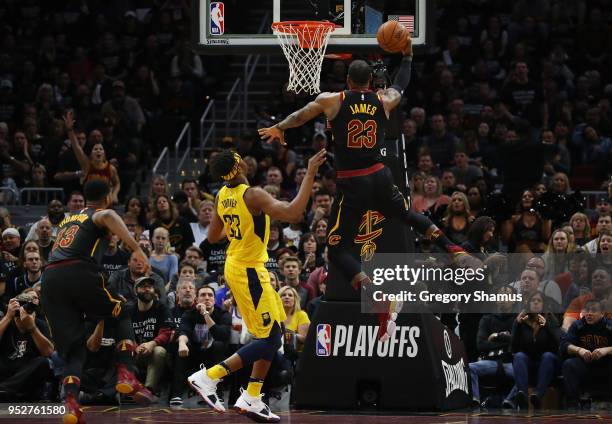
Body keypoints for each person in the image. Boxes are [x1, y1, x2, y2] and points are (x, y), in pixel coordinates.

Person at [259, 50, 470, 340]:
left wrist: (279, 127)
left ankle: (374, 295)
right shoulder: (383, 100)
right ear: (371, 81)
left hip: (352, 183)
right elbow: (401, 85)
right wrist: (407, 58)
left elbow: (300, 115)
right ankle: (453, 249)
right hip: (380, 174)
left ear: (347, 80)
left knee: (337, 249)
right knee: (407, 214)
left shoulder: (332, 100)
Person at [185, 148, 326, 422]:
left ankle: (251, 396)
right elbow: (294, 213)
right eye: (242, 160)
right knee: (272, 338)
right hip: (249, 270)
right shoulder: (253, 194)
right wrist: (309, 173)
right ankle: (209, 376)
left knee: (274, 331)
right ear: (238, 168)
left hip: (239, 264)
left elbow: (214, 236)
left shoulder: (223, 195)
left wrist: (240, 223)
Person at [40, 180, 154, 423]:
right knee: (121, 310)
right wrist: (136, 249)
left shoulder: (69, 219)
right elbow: (110, 215)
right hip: (77, 270)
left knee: (75, 350)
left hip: (50, 278)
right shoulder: (99, 212)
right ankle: (126, 373)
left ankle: (71, 403)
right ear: (108, 196)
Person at [63, 111, 121, 203]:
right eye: (95, 149)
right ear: (91, 155)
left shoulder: (111, 168)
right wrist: (70, 130)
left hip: (107, 204)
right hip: (91, 205)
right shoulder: (87, 165)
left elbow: (117, 183)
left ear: (104, 154)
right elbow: (76, 147)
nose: (98, 150)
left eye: (101, 149)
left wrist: (115, 194)